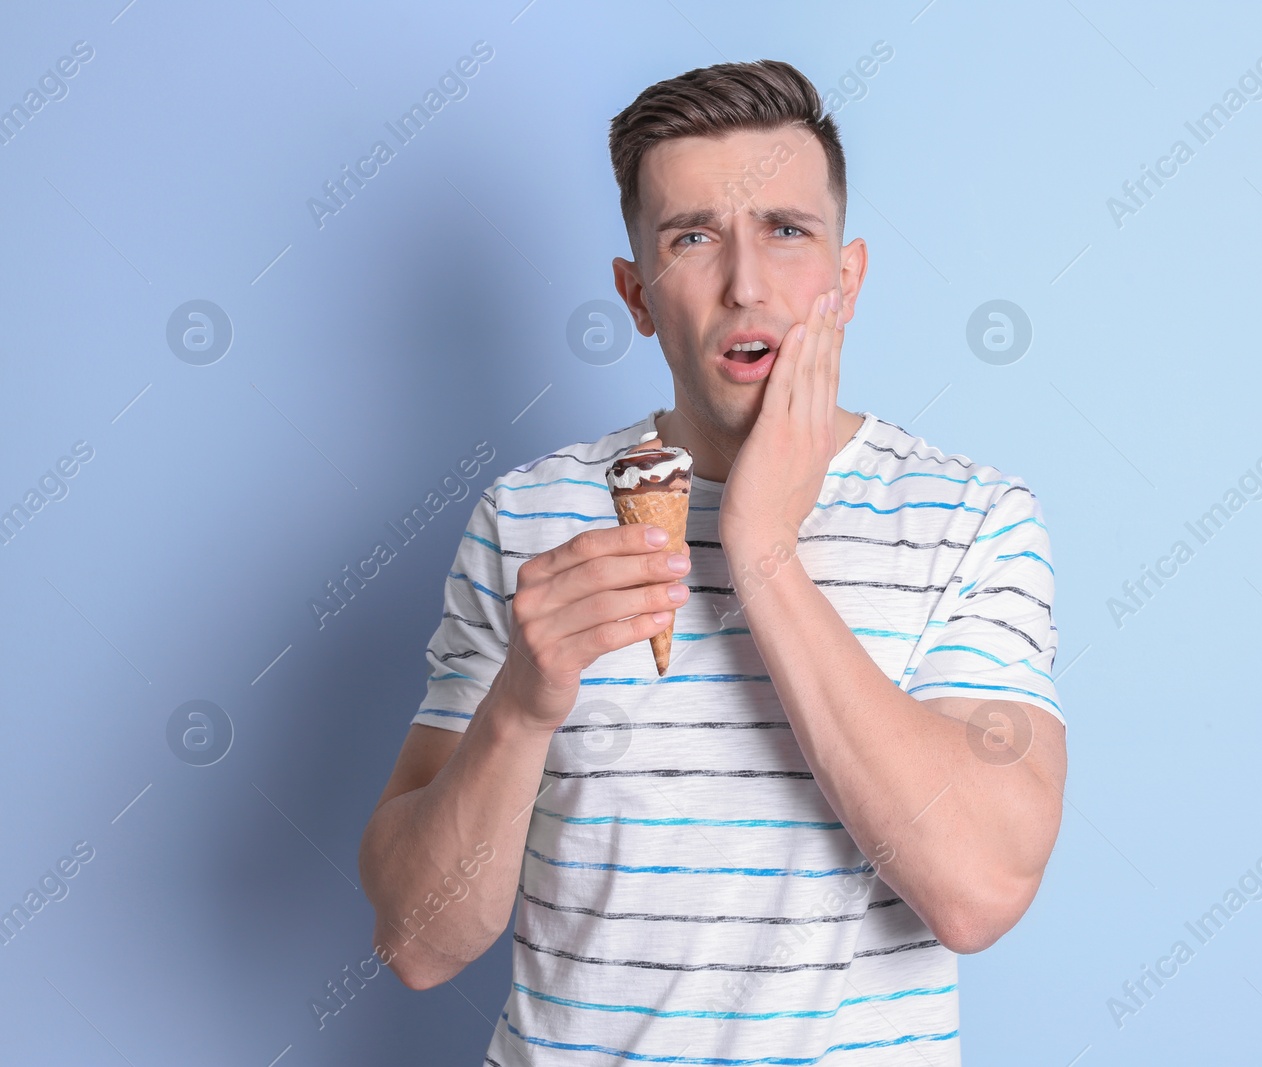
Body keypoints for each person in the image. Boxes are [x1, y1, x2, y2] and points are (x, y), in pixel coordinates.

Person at [358, 58, 1067, 1066]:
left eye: (786, 229)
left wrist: (764, 552)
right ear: (637, 293)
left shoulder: (971, 518)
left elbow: (978, 889)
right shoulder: (528, 517)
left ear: (846, 277)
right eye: (693, 237)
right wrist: (521, 701)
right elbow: (417, 940)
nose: (745, 283)